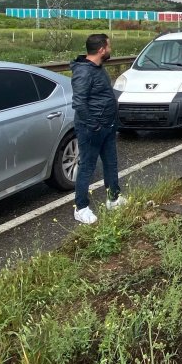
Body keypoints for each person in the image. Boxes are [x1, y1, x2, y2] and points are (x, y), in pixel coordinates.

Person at [70, 33, 124, 224]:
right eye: (108, 46)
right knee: (87, 167)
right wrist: (94, 125)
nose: (110, 49)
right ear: (101, 49)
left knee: (111, 162)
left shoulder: (97, 68)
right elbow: (79, 103)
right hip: (92, 128)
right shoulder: (84, 72)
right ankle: (81, 207)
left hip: (107, 125)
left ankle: (113, 198)